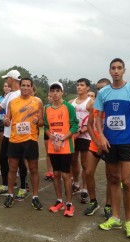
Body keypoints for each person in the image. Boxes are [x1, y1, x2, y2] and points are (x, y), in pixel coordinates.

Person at [95, 58, 130, 238]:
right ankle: (115, 217)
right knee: (114, 179)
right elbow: (98, 118)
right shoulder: (103, 93)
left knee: (128, 181)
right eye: (113, 68)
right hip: (110, 143)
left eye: (119, 68)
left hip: (128, 142)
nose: (116, 71)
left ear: (124, 70)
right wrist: (100, 136)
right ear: (109, 71)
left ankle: (129, 221)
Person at [0, 70, 29, 201]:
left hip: (19, 134)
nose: (6, 81)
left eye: (7, 79)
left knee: (20, 161)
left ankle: (23, 186)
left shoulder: (22, 93)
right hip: (8, 133)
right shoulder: (9, 95)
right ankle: (5, 184)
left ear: (11, 79)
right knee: (3, 158)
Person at [2, 77, 44, 209]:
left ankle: (35, 196)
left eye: (28, 86)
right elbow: (7, 119)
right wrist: (6, 121)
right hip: (15, 140)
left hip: (31, 140)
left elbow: (42, 123)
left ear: (32, 87)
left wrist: (38, 121)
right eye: (23, 85)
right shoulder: (12, 102)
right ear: (20, 86)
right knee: (13, 168)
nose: (26, 88)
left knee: (34, 169)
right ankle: (10, 195)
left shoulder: (37, 102)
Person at [44, 82, 79, 216]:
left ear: (62, 92)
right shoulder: (47, 108)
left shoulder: (69, 107)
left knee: (65, 175)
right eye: (52, 91)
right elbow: (46, 127)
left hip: (65, 146)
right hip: (54, 147)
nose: (55, 93)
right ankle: (59, 201)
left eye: (57, 90)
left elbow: (75, 125)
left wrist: (62, 139)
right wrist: (51, 137)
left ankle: (69, 203)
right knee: (56, 174)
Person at [84, 78, 112, 218]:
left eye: (103, 88)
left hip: (110, 145)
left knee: (110, 176)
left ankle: (108, 205)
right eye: (98, 88)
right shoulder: (95, 105)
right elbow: (89, 125)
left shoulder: (113, 105)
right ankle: (93, 201)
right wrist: (96, 140)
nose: (100, 91)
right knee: (88, 172)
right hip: (95, 143)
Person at [69, 78, 93, 204]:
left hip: (85, 137)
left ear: (87, 88)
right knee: (73, 161)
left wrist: (81, 131)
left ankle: (85, 189)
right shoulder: (71, 102)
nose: (79, 87)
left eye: (82, 85)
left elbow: (92, 121)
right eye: (77, 85)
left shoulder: (91, 103)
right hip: (73, 136)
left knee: (85, 164)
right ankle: (76, 183)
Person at [0, 82, 11, 176]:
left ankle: (12, 167)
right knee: (2, 145)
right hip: (0, 122)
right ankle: (3, 167)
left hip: (10, 123)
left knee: (10, 145)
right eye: (5, 86)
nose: (6, 88)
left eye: (8, 86)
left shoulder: (13, 97)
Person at [43, 92, 55, 181]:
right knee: (48, 153)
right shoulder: (45, 107)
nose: (49, 97)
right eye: (49, 95)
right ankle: (49, 171)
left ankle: (55, 172)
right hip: (47, 132)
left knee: (56, 153)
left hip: (57, 132)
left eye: (51, 96)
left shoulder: (61, 106)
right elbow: (44, 120)